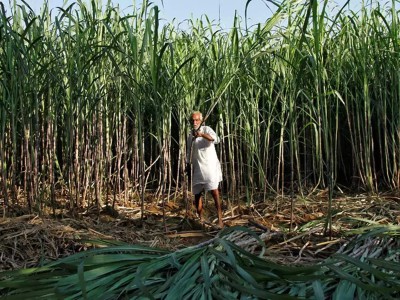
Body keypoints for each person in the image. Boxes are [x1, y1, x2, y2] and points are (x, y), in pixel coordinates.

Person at [186, 111, 223, 228]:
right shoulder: (190, 135)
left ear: (201, 120)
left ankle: (220, 220)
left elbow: (216, 139)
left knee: (214, 192)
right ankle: (201, 219)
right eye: (193, 120)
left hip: (209, 166)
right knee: (197, 194)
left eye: (197, 120)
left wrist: (202, 135)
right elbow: (189, 152)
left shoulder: (207, 129)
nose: (195, 122)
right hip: (197, 166)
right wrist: (188, 165)